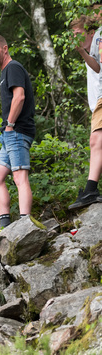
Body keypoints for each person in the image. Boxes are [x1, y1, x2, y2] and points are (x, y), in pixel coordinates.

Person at [0, 35, 36, 229]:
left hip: (17, 131)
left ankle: (24, 226)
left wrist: (10, 124)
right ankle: (5, 225)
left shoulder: (13, 67)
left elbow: (19, 97)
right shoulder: (5, 72)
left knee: (19, 177)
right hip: (10, 134)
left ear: (5, 49)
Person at [69, 15, 102, 209]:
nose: (75, 38)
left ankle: (91, 189)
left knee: (96, 140)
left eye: (78, 34)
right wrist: (82, 51)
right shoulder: (93, 48)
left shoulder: (99, 37)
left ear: (90, 32)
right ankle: (91, 189)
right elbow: (98, 68)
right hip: (97, 104)